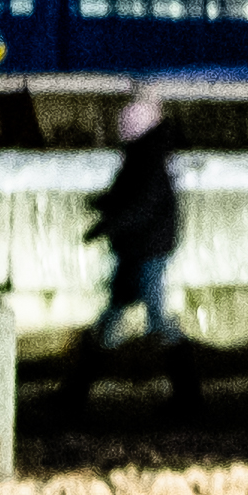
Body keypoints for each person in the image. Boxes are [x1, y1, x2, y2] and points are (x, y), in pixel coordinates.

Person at [73, 94, 190, 407]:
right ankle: (76, 391)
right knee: (116, 316)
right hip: (139, 248)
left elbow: (140, 205)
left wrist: (106, 224)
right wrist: (105, 205)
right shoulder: (144, 156)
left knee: (154, 317)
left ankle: (188, 393)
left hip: (148, 249)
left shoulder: (146, 159)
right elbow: (129, 196)